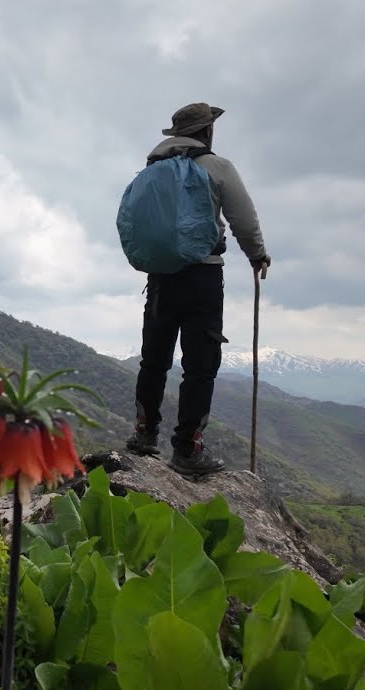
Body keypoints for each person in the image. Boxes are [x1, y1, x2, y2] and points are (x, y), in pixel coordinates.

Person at [125, 102, 271, 476]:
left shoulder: (153, 169)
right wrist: (257, 256)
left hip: (160, 278)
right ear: (207, 131)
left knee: (153, 359)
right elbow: (243, 219)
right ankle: (187, 449)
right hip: (203, 277)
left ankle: (144, 435)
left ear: (175, 135)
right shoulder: (218, 168)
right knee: (200, 366)